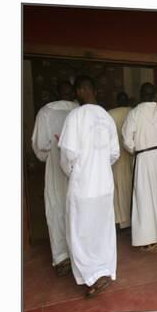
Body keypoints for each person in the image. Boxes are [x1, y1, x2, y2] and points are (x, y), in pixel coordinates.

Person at [58, 76, 120, 298]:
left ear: (83, 90)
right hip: (103, 185)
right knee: (102, 231)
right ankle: (104, 270)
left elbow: (67, 155)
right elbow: (114, 154)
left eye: (77, 91)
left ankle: (91, 275)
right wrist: (99, 165)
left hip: (83, 186)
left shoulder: (75, 116)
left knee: (80, 232)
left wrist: (74, 171)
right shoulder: (106, 117)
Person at [31, 81, 79, 276]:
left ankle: (61, 258)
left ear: (55, 92)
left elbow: (40, 144)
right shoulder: (79, 111)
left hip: (55, 166)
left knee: (57, 207)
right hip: (78, 167)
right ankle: (79, 255)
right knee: (77, 209)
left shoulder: (46, 111)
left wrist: (48, 155)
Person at [122, 83, 157, 252]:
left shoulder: (134, 113)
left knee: (143, 198)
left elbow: (127, 141)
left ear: (140, 94)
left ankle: (146, 240)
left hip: (143, 157)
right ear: (154, 96)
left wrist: (138, 150)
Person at [108, 92, 133, 230]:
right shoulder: (133, 112)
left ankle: (119, 221)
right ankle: (130, 220)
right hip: (130, 156)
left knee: (117, 190)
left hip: (115, 157)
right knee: (130, 188)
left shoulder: (110, 113)